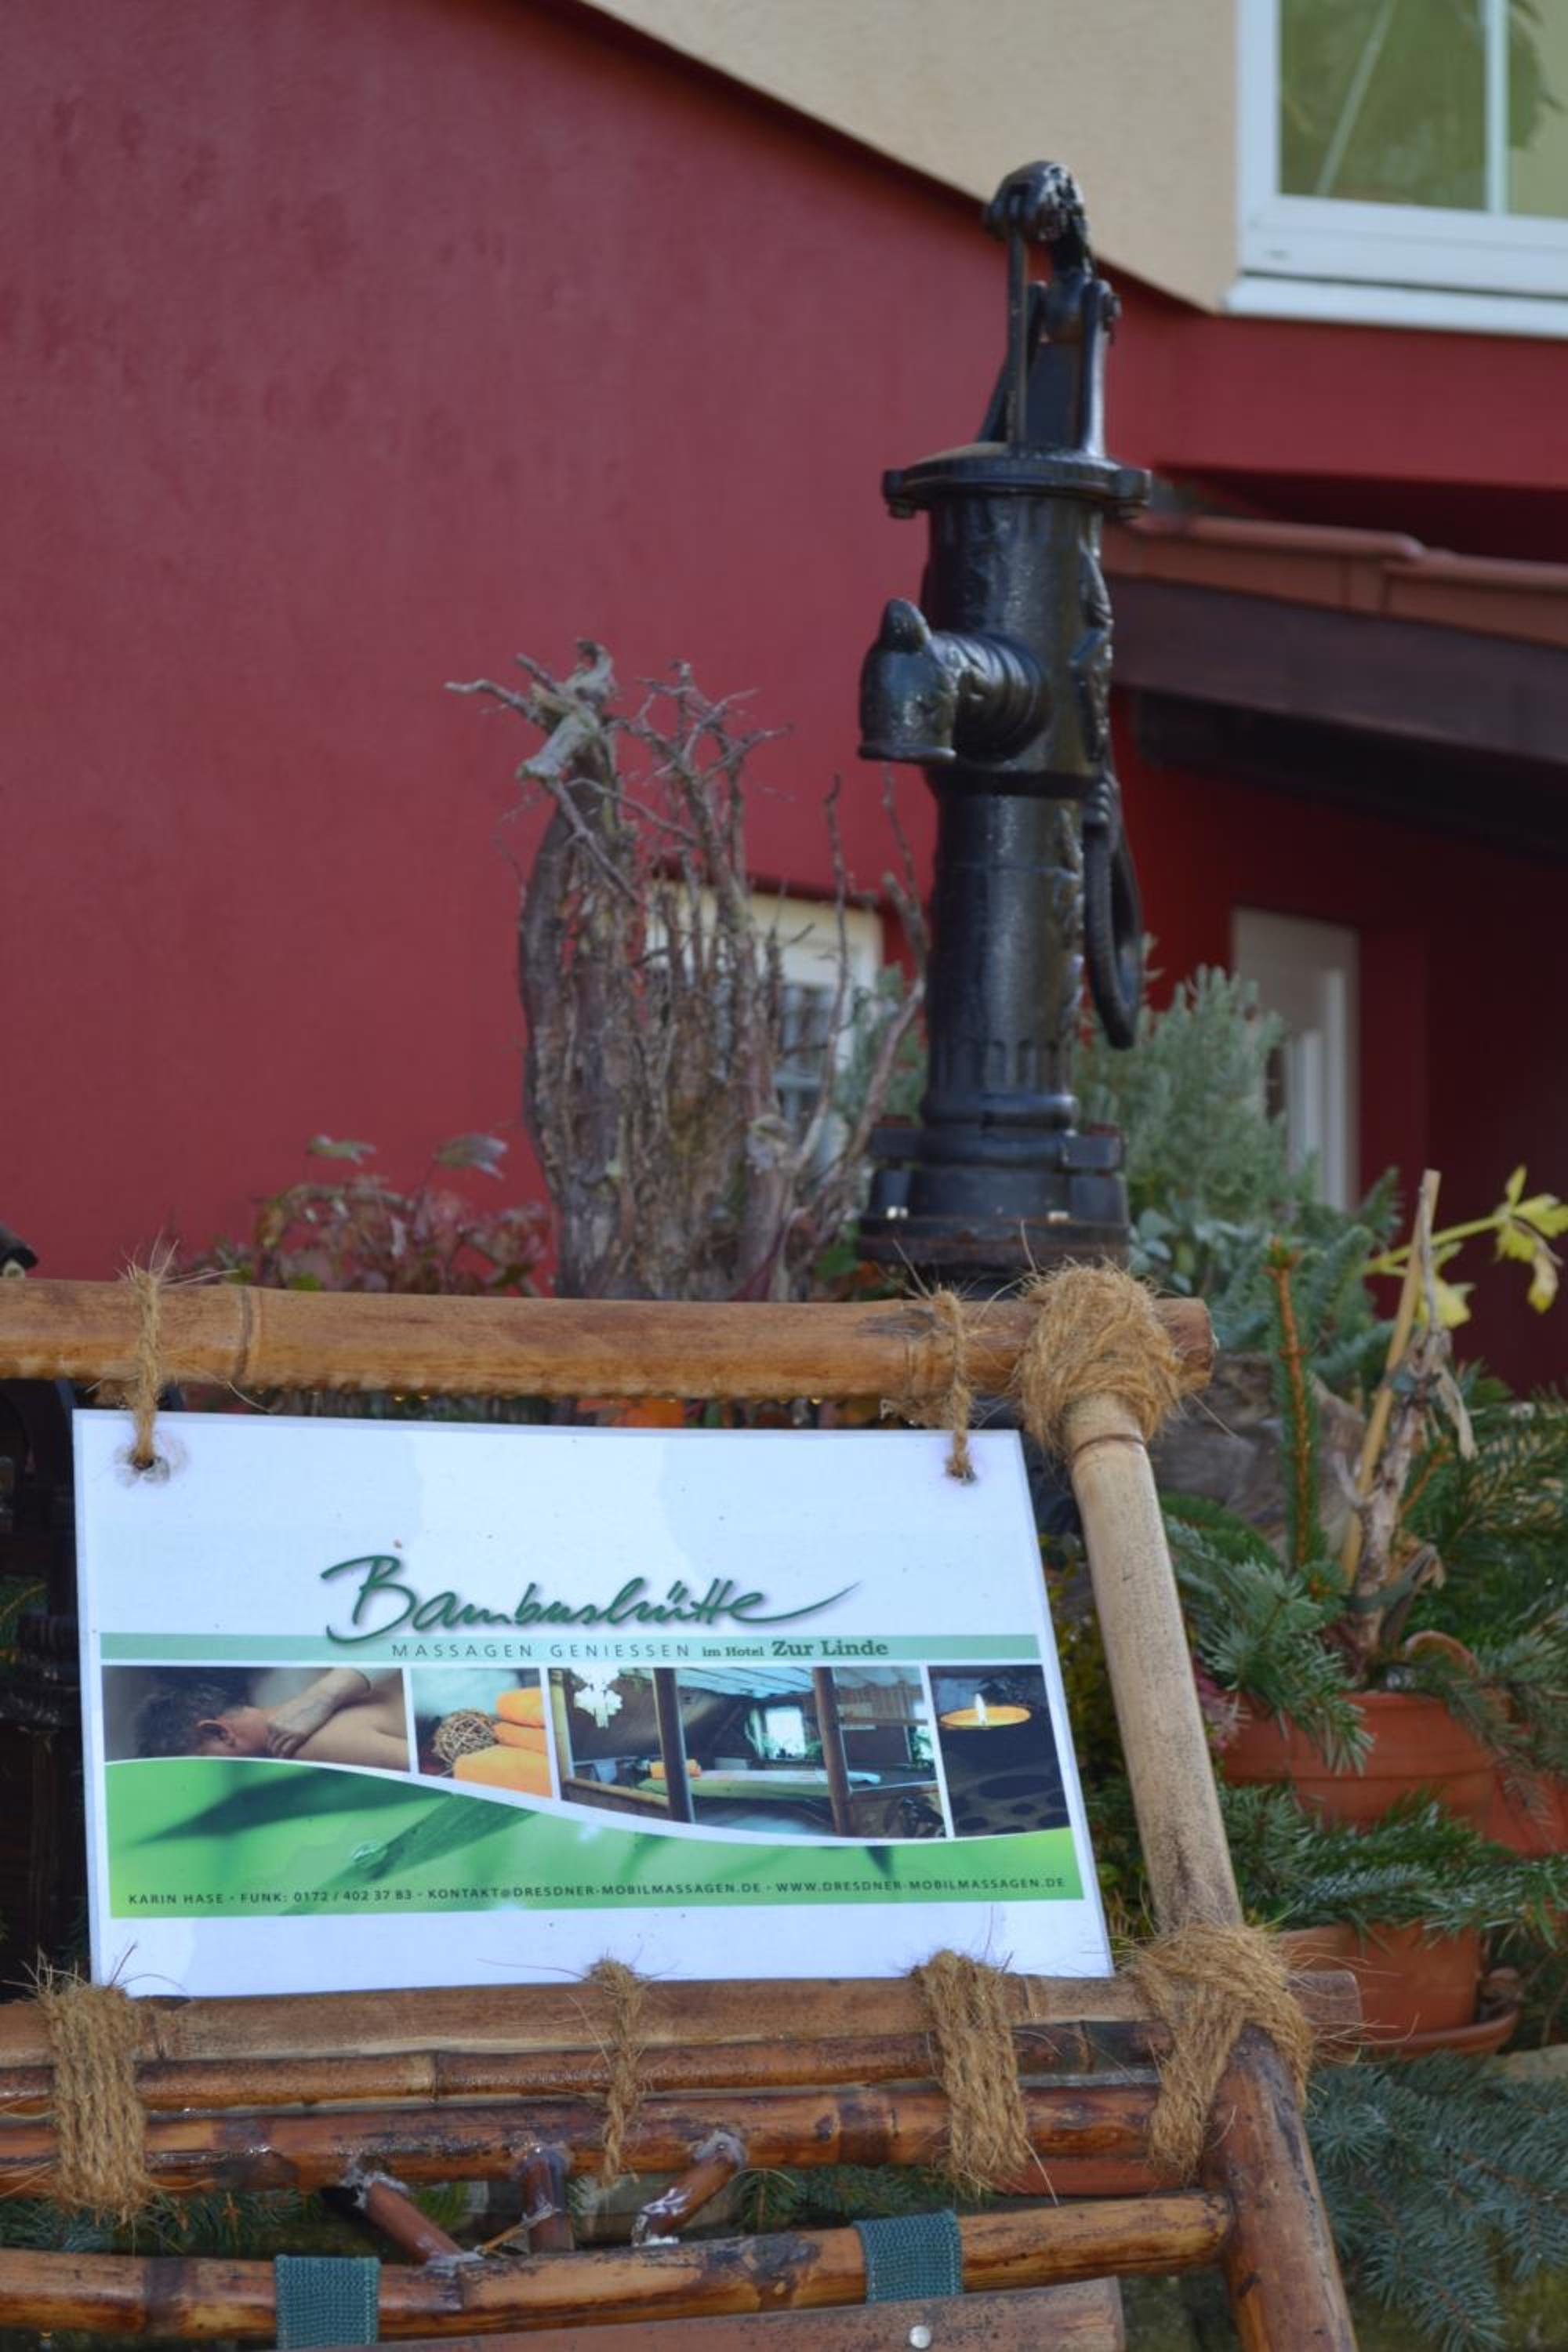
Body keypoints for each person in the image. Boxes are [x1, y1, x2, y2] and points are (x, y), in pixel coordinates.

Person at [134, 1666, 408, 1771]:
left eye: (207, 1765)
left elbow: (429, 1772)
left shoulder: (305, 1748)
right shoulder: (302, 1717)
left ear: (219, 1733)